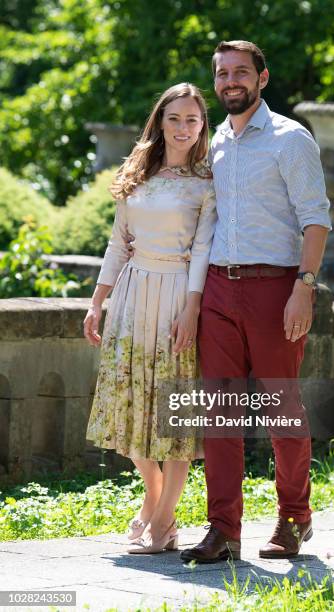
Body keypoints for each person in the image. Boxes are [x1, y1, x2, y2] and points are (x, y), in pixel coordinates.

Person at [180, 40, 332, 564]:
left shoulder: (291, 140)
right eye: (222, 74)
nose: (230, 82)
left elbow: (316, 218)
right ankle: (224, 529)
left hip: (276, 289)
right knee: (219, 414)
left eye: (241, 72)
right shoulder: (215, 142)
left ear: (262, 78)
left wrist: (303, 288)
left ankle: (294, 518)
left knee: (282, 412)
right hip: (220, 289)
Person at [84, 83, 216, 555]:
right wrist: (97, 301)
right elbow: (118, 242)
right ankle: (155, 495)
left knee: (175, 412)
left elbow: (202, 248)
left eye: (193, 120)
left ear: (203, 126)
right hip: (131, 294)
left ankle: (162, 525)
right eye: (175, 118)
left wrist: (193, 306)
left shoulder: (206, 182)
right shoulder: (135, 173)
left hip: (178, 293)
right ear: (160, 121)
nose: (183, 128)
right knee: (128, 400)